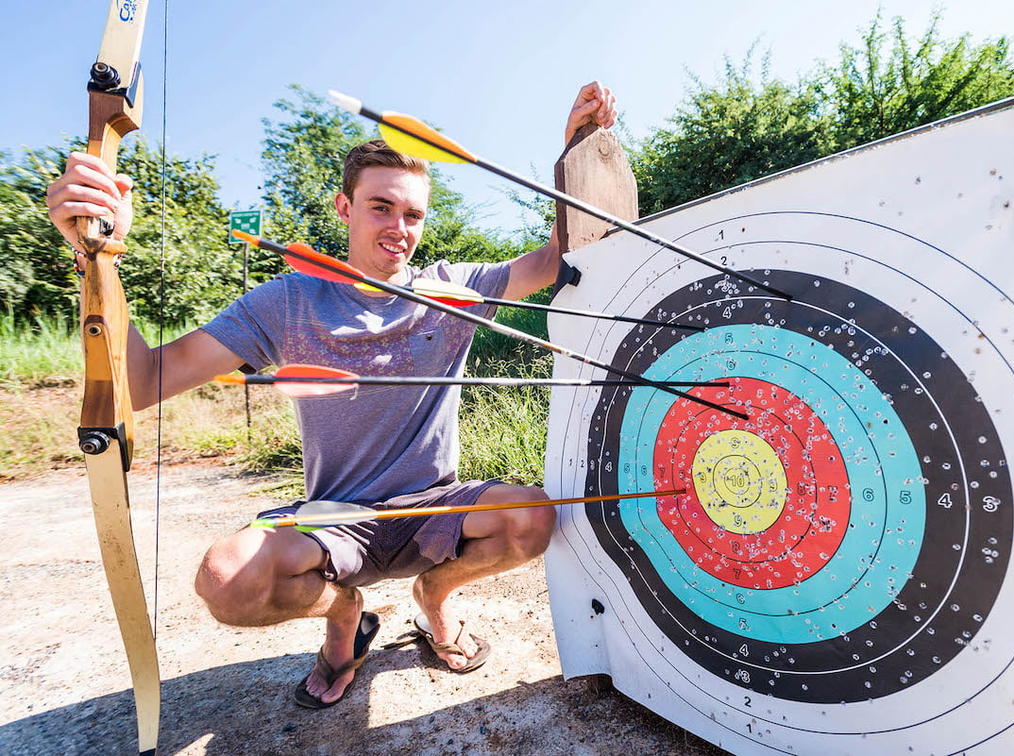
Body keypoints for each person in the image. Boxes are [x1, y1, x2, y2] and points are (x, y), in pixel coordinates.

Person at [47, 81, 617, 707]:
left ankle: (434, 595)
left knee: (532, 515)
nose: (398, 228)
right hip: (334, 519)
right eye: (381, 207)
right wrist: (98, 255)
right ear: (345, 208)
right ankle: (345, 614)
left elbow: (560, 255)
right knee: (226, 580)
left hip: (434, 507)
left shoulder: (452, 289)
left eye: (413, 215)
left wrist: (576, 155)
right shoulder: (289, 301)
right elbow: (142, 382)